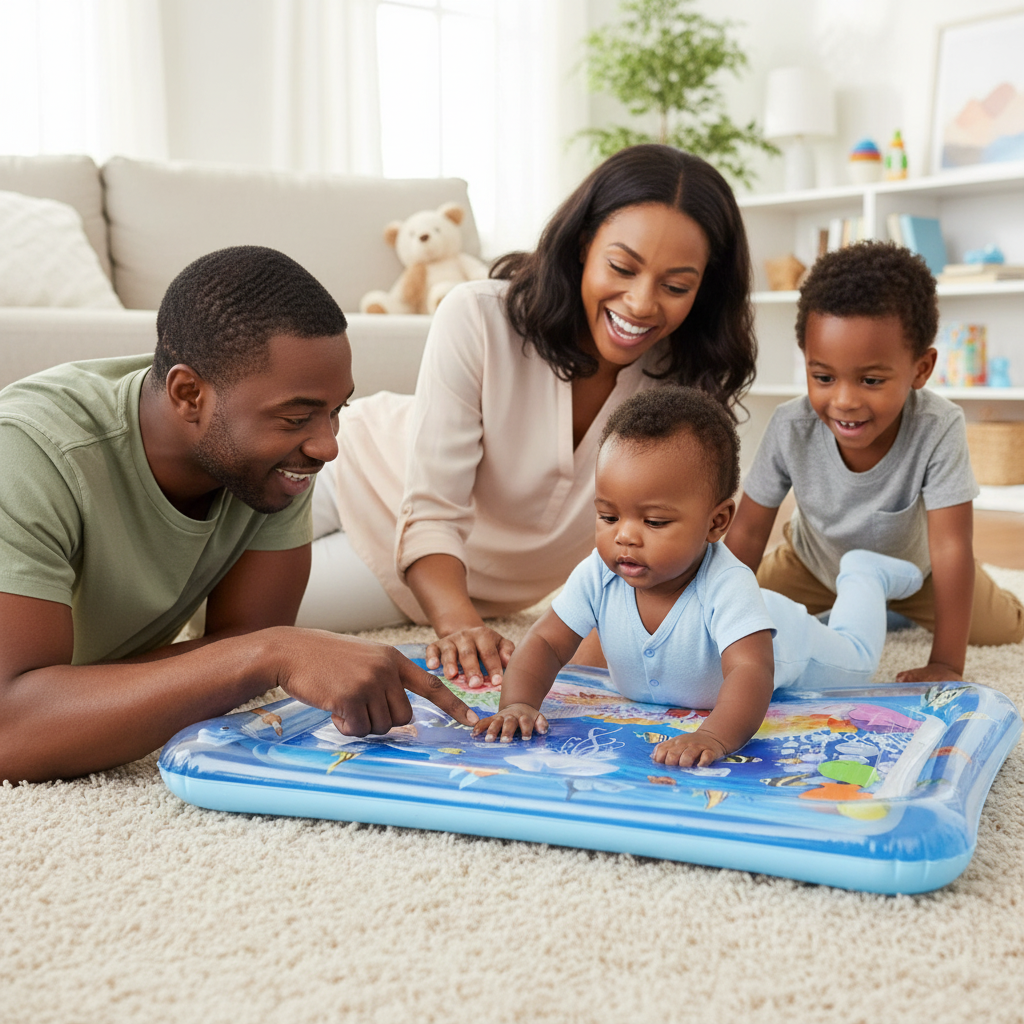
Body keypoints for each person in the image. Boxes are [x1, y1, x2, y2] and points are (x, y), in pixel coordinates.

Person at [0, 245, 475, 785]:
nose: (327, 446)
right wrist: (273, 652)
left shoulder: (268, 464)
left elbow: (245, 640)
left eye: (335, 411)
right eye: (296, 418)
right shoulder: (28, 455)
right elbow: (11, 730)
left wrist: (259, 651)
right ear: (188, 394)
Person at [300, 144, 758, 692]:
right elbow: (432, 511)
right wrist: (460, 626)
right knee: (220, 599)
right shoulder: (478, 315)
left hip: (443, 578)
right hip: (350, 471)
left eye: (676, 286)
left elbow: (678, 563)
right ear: (584, 245)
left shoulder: (688, 395)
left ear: (704, 288)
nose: (640, 303)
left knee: (249, 616)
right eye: (621, 267)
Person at [472, 387, 923, 767]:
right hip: (747, 619)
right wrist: (518, 703)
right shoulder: (598, 573)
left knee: (858, 656)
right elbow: (545, 642)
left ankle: (864, 575)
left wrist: (714, 735)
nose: (624, 536)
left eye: (654, 522)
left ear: (716, 522)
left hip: (788, 640)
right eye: (608, 516)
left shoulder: (727, 584)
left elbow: (750, 670)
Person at [726, 241, 1024, 684]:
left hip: (917, 574)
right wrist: (710, 608)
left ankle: (888, 608)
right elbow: (749, 531)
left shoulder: (939, 426)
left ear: (921, 369)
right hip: (813, 566)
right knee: (747, 611)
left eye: (870, 380)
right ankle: (862, 605)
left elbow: (950, 546)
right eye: (823, 377)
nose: (844, 400)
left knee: (1007, 630)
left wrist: (946, 662)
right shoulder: (790, 426)